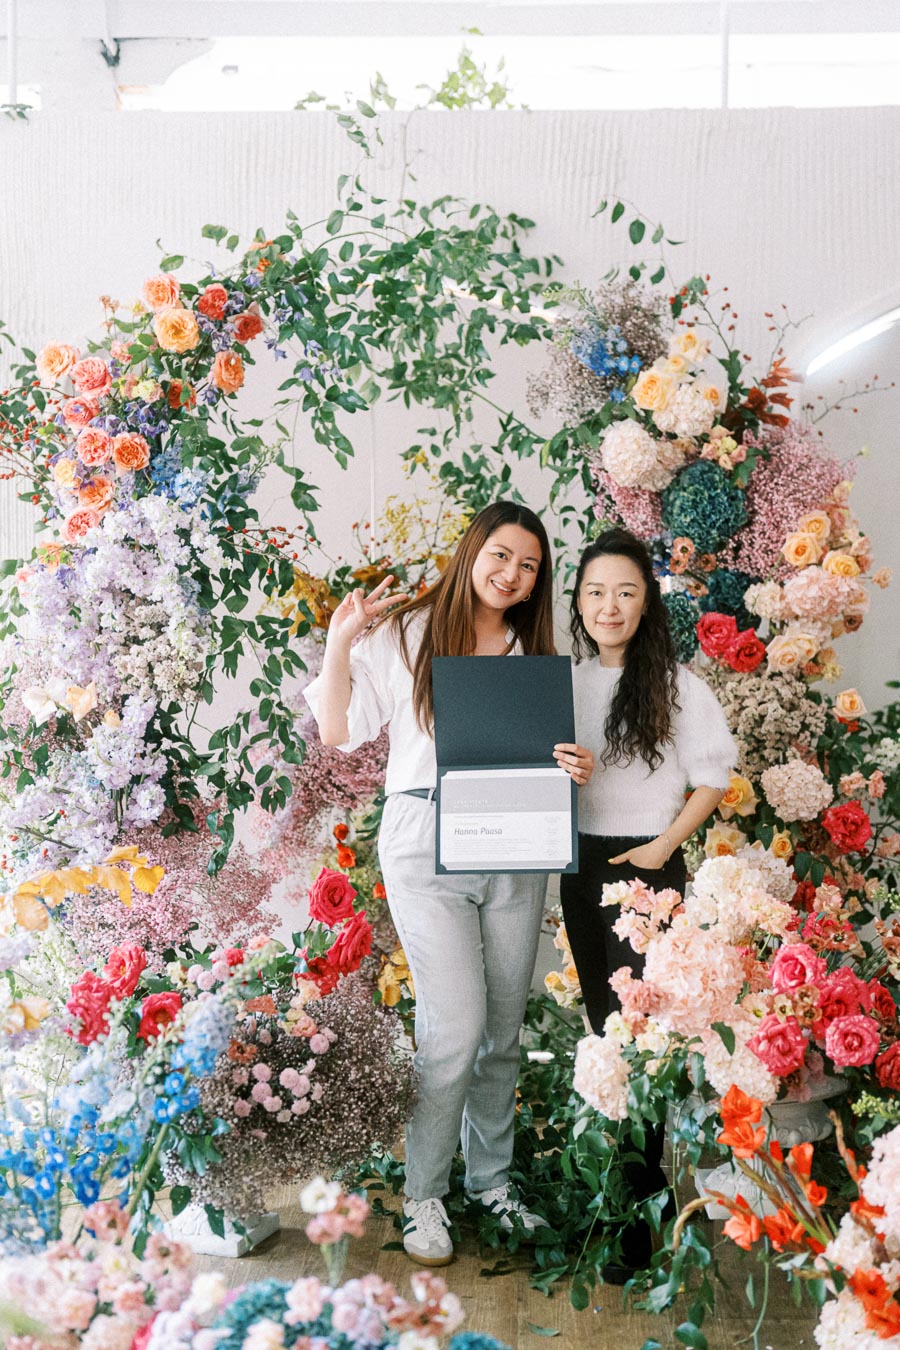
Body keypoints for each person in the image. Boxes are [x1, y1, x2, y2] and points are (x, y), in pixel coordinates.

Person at [304, 500, 593, 1266]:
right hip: (424, 836)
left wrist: (574, 766)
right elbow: (338, 731)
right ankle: (424, 1195)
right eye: (501, 555)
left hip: (517, 836)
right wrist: (340, 641)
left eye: (529, 565)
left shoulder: (536, 652)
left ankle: (491, 1185)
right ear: (472, 553)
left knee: (502, 1029)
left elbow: (557, 752)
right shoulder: (407, 633)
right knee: (453, 1029)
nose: (512, 574)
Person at [560, 526, 737, 1279]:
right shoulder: (564, 682)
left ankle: (639, 1217)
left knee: (644, 1041)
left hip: (648, 866)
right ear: (578, 600)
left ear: (646, 603)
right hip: (581, 866)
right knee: (605, 1031)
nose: (610, 605)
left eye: (626, 592)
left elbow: (713, 777)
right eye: (596, 591)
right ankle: (626, 1196)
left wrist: (663, 848)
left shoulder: (678, 686)